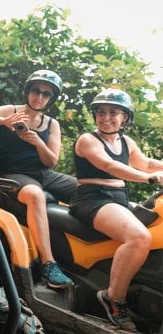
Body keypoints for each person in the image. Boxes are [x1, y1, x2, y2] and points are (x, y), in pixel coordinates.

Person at [0, 69, 77, 289]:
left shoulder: (51, 124)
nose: (40, 97)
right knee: (36, 196)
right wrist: (4, 120)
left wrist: (37, 142)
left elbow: (51, 161)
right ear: (27, 91)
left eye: (46, 94)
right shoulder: (12, 110)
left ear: (51, 99)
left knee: (85, 189)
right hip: (12, 174)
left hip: (43, 173)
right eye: (36, 91)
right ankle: (48, 264)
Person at [69, 88, 163, 331]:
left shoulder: (125, 141)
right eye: (101, 112)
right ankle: (114, 299)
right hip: (93, 198)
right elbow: (108, 165)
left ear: (125, 118)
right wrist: (150, 178)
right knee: (138, 237)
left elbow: (146, 162)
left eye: (113, 112)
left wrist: (153, 169)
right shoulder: (88, 140)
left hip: (117, 198)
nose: (106, 117)